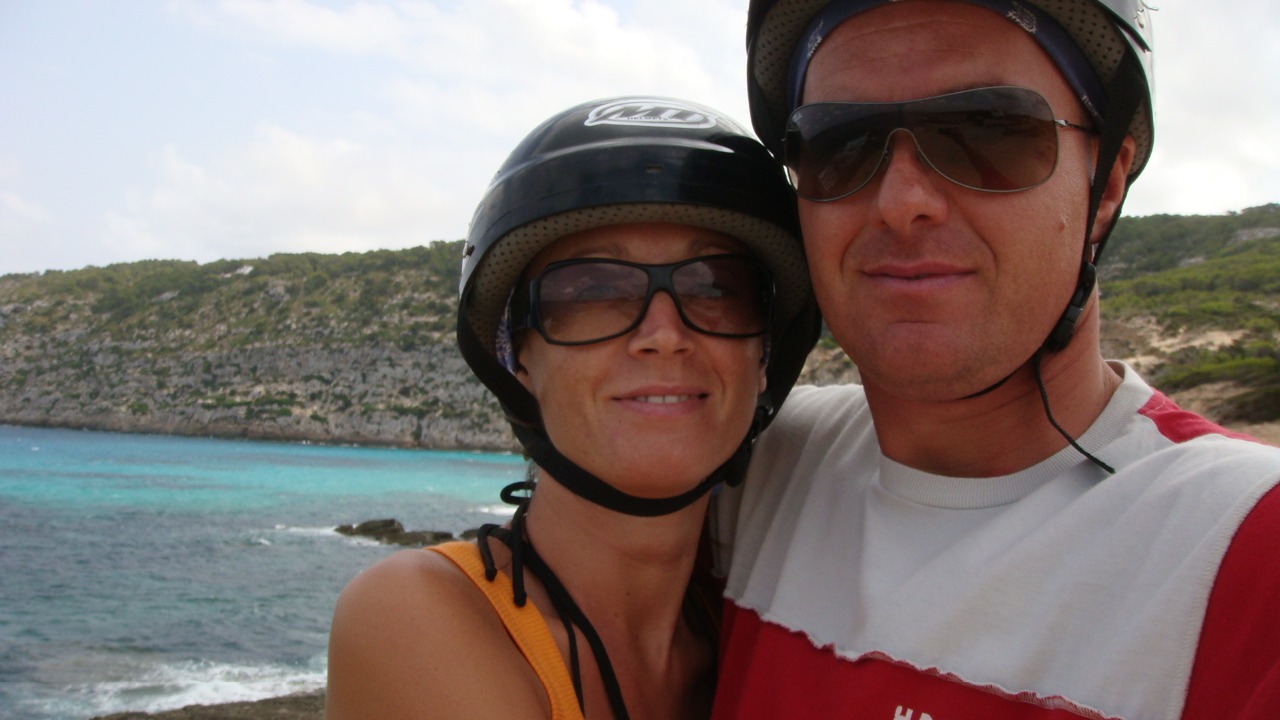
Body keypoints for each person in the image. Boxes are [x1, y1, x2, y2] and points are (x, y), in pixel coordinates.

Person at [710, 1, 1280, 718]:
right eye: (838, 144)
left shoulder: (1246, 546)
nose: (900, 202)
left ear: (1105, 185)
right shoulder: (751, 465)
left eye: (987, 130)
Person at [325, 96, 820, 719]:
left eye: (716, 287)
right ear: (519, 356)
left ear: (763, 354)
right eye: (594, 290)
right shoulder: (417, 615)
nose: (664, 334)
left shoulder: (760, 638)